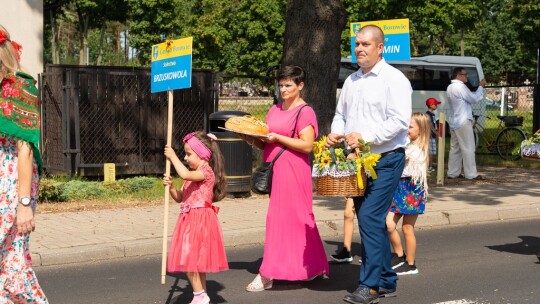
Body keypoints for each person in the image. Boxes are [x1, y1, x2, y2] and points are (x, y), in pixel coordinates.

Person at [326, 25, 412, 304]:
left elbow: (399, 121)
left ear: (380, 48)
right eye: (357, 44)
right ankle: (387, 279)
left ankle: (370, 285)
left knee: (370, 218)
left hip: (386, 159)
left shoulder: (394, 79)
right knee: (369, 220)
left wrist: (366, 138)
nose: (359, 49)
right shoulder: (351, 80)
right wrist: (337, 133)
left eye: (365, 44)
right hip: (358, 162)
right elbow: (341, 115)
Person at [241, 65, 329, 292]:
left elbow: (307, 145)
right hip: (276, 170)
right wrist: (250, 138)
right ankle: (310, 267)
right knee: (289, 220)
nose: (283, 89)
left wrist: (277, 136)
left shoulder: (305, 111)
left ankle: (267, 274)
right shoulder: (274, 109)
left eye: (288, 85)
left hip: (294, 171)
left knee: (295, 219)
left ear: (301, 86)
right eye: (281, 85)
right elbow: (267, 141)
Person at [0, 25, 49, 303]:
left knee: (13, 264)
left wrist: (24, 204)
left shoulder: (19, 84)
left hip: (10, 182)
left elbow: (25, 149)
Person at [162, 131, 228, 304]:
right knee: (195, 262)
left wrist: (173, 157)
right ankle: (201, 294)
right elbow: (180, 198)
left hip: (200, 221)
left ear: (202, 154)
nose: (185, 157)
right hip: (189, 220)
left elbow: (184, 174)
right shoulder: (191, 176)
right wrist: (171, 188)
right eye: (184, 154)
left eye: (189, 154)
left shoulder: (206, 172)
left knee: (188, 259)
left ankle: (200, 295)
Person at [386, 112, 431, 276]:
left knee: (407, 228)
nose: (406, 129)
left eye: (410, 127)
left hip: (411, 189)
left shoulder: (415, 150)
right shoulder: (409, 146)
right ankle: (399, 255)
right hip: (400, 188)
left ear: (421, 130)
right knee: (389, 224)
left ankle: (411, 264)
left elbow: (397, 159)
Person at [446, 67, 486, 180]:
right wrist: (480, 87)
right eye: (465, 74)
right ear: (459, 75)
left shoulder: (450, 87)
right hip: (463, 120)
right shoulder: (460, 87)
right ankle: (471, 174)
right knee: (468, 147)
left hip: (454, 120)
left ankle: (453, 173)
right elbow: (473, 98)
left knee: (455, 148)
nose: (466, 76)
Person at [329, 197, 356, 263]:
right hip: (356, 187)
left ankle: (370, 253)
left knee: (365, 216)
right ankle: (346, 252)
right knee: (348, 214)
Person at [425, 97, 441, 172]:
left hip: (432, 136)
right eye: (435, 104)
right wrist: (436, 132)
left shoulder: (432, 114)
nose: (436, 106)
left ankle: (430, 166)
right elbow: (430, 125)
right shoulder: (428, 115)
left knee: (432, 152)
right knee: (430, 152)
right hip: (430, 135)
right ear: (431, 105)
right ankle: (428, 167)